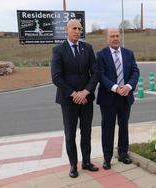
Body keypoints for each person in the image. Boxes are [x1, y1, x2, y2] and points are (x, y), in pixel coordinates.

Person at [51, 19, 99, 178]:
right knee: (70, 134)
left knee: (86, 132)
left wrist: (85, 92)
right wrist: (74, 94)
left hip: (86, 99)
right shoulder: (58, 50)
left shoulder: (88, 48)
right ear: (67, 30)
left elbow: (95, 73)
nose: (78, 31)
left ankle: (86, 161)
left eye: (80, 28)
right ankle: (73, 165)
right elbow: (56, 77)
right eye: (74, 28)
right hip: (68, 100)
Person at [96, 28, 140, 170]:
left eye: (117, 36)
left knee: (124, 126)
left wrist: (128, 86)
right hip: (108, 97)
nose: (115, 38)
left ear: (119, 37)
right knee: (107, 128)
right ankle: (107, 158)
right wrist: (116, 88)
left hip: (125, 97)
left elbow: (135, 71)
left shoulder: (128, 53)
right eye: (112, 36)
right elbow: (101, 75)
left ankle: (123, 153)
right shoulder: (101, 55)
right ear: (107, 38)